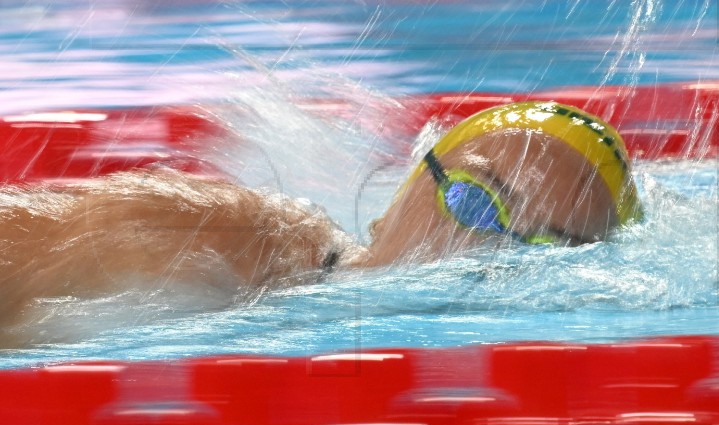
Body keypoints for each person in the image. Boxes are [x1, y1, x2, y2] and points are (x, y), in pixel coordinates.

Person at [0, 100, 641, 346]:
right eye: (474, 201)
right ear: (407, 188)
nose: (481, 248)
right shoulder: (213, 237)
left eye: (541, 247)